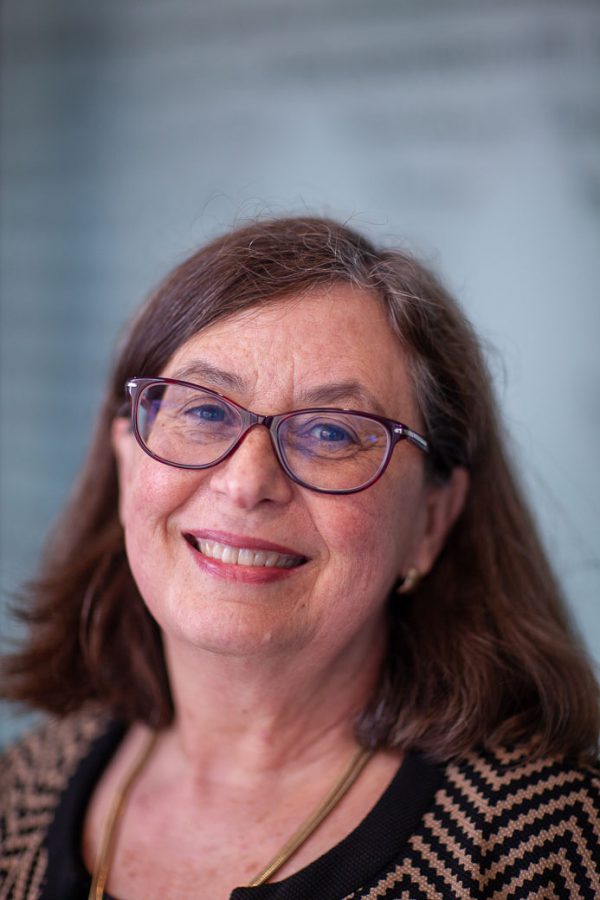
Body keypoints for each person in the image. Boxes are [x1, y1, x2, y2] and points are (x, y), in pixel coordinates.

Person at [1, 216, 598, 900]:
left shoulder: (549, 848)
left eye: (331, 432)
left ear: (431, 520)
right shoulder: (17, 796)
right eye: (204, 412)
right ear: (127, 461)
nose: (247, 483)